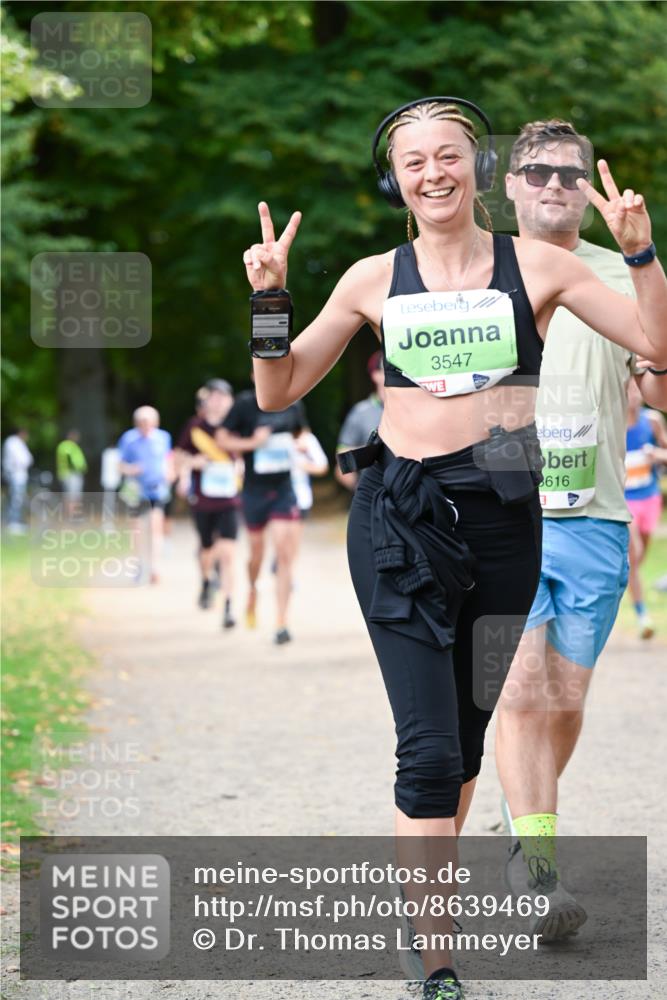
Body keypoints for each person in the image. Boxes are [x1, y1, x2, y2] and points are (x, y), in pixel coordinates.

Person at [241, 98, 667, 998]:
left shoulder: (538, 266)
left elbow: (654, 344)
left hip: (507, 517)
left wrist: (637, 249)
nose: (431, 172)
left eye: (448, 155)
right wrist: (270, 300)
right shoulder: (370, 278)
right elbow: (279, 388)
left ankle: (429, 901)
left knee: (470, 742)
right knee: (429, 751)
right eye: (412, 160)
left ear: (476, 168)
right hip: (398, 517)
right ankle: (431, 954)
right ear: (392, 179)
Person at [492, 120, 667, 941]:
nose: (555, 185)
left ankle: (521, 819)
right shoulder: (474, 270)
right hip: (498, 515)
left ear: (589, 194)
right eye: (537, 172)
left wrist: (643, 257)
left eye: (569, 174)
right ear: (510, 186)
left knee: (564, 701)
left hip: (593, 517)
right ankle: (536, 872)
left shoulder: (620, 275)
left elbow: (663, 391)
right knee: (521, 690)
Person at [217, 380, 306, 644]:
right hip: (255, 490)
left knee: (284, 553)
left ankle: (282, 622)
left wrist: (298, 445)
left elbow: (301, 433)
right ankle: (253, 588)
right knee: (256, 553)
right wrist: (253, 443)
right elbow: (222, 439)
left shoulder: (294, 400)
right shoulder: (245, 403)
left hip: (283, 488)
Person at [175, 379, 239, 627]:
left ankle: (229, 605)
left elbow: (247, 452)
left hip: (230, 498)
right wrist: (190, 466)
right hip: (203, 499)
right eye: (214, 396)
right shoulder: (195, 427)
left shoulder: (236, 425)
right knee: (206, 548)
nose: (218, 401)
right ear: (206, 400)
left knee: (228, 554)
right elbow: (179, 456)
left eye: (223, 396)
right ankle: (205, 581)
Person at [625, 378, 667, 638]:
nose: (634, 394)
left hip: (649, 498)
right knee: (633, 555)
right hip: (624, 500)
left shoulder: (652, 421)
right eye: (629, 389)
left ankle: (625, 590)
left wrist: (656, 455)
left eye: (636, 389)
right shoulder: (612, 422)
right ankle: (643, 616)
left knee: (637, 561)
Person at [117, 406, 172, 584]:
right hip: (135, 489)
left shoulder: (163, 438)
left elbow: (168, 459)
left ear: (155, 422)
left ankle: (155, 567)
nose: (145, 425)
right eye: (141, 422)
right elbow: (120, 465)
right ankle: (137, 565)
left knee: (156, 528)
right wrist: (131, 469)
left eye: (148, 422)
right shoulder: (129, 439)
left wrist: (170, 472)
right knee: (137, 530)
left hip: (157, 488)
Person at [335, 350, 385, 491]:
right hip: (374, 495)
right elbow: (342, 462)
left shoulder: (414, 408)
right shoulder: (360, 412)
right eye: (388, 369)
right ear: (375, 375)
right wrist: (362, 493)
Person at [2, 427, 33, 534]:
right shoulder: (13, 442)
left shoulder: (17, 443)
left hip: (19, 475)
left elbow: (28, 458)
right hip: (15, 475)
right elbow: (22, 460)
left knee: (17, 499)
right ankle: (13, 523)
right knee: (16, 499)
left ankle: (13, 521)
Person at [56, 429, 87, 517]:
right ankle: (72, 517)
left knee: (72, 497)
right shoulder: (68, 446)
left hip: (70, 474)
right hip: (71, 475)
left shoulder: (68, 446)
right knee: (72, 497)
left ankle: (72, 516)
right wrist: (79, 467)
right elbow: (71, 460)